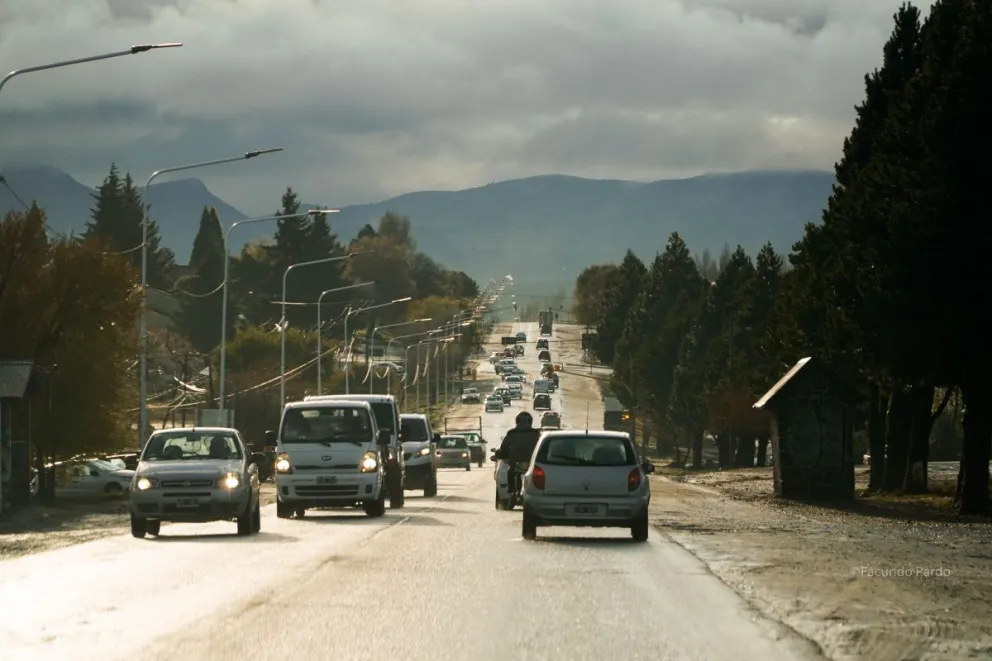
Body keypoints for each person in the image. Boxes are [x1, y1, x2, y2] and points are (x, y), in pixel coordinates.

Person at [498, 411, 541, 495]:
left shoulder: (512, 433)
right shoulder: (535, 433)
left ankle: (512, 491)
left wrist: (500, 454)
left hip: (515, 462)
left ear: (517, 421)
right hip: (531, 463)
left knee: (510, 473)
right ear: (530, 422)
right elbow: (541, 447)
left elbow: (504, 448)